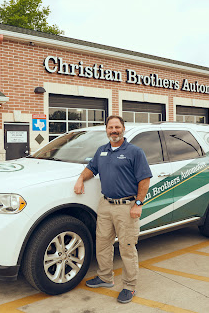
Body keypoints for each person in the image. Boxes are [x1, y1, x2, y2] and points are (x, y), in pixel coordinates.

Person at [74, 115, 152, 304]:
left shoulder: (134, 152)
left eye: (117, 127)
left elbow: (144, 180)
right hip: (106, 205)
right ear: (106, 130)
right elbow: (91, 169)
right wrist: (80, 179)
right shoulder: (102, 151)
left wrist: (138, 204)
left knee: (127, 247)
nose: (114, 130)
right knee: (102, 244)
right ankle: (105, 277)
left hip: (127, 206)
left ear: (123, 129)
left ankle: (129, 286)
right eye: (111, 127)